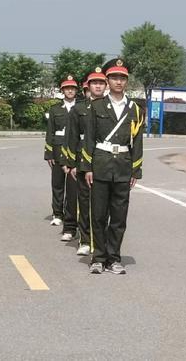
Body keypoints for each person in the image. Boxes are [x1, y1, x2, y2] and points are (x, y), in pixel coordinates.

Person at [82, 59, 145, 274]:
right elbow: (89, 138)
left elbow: (137, 141)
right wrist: (87, 167)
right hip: (100, 163)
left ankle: (114, 258)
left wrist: (136, 170)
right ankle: (98, 257)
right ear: (107, 81)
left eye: (122, 78)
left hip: (123, 167)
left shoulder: (135, 109)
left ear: (127, 81)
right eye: (114, 78)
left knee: (119, 216)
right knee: (98, 214)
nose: (118, 82)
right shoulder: (96, 106)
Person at [65, 73, 106, 255]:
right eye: (94, 83)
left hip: (104, 160)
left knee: (103, 204)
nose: (97, 86)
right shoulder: (79, 109)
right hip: (83, 159)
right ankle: (85, 239)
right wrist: (71, 162)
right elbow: (72, 137)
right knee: (85, 201)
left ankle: (100, 241)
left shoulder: (111, 107)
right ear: (88, 86)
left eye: (101, 83)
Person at [45, 75, 78, 241]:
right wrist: (49, 153)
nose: (70, 90)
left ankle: (70, 214)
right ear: (62, 91)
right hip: (58, 148)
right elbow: (50, 132)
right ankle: (57, 213)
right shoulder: (55, 109)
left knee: (73, 185)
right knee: (57, 183)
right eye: (67, 88)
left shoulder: (81, 107)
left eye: (72, 88)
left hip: (74, 150)